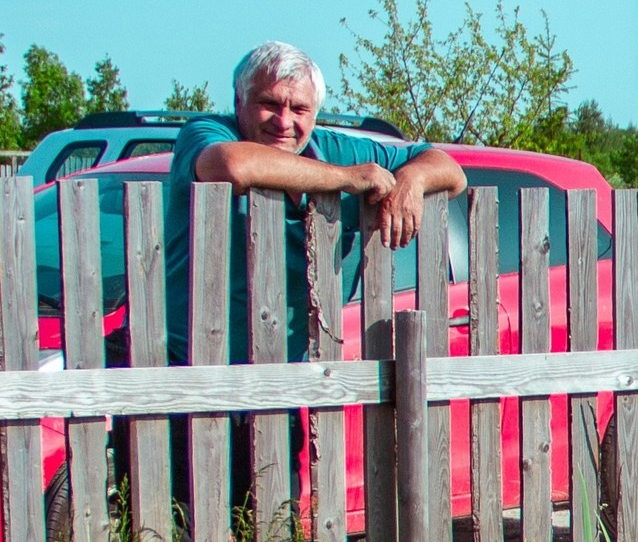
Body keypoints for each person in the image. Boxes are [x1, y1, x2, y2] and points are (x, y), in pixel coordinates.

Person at [165, 42, 464, 363]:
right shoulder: (208, 132)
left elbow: (451, 171)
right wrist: (346, 178)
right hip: (193, 369)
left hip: (293, 378)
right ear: (239, 101)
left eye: (299, 110)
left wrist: (412, 181)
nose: (283, 122)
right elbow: (233, 166)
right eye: (269, 103)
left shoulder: (331, 148)